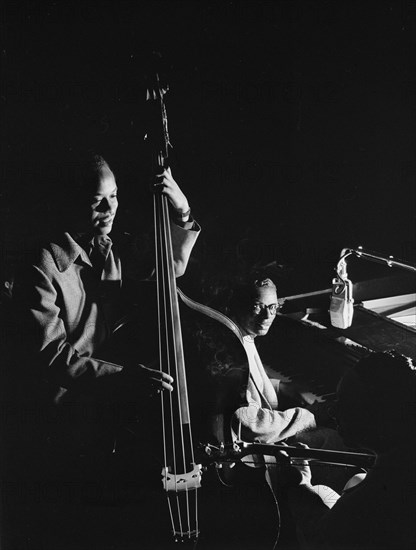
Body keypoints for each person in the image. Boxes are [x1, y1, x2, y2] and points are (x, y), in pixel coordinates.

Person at [10, 153, 200, 461]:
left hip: (106, 405)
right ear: (72, 201)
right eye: (97, 200)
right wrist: (121, 379)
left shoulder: (108, 247)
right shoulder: (40, 264)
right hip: (61, 415)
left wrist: (182, 211)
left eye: (113, 196)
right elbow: (51, 355)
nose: (109, 209)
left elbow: (171, 267)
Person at [283, 350, 416, 550]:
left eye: (346, 403)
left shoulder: (368, 501)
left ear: (381, 416)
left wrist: (301, 483)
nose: (332, 411)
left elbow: (319, 538)